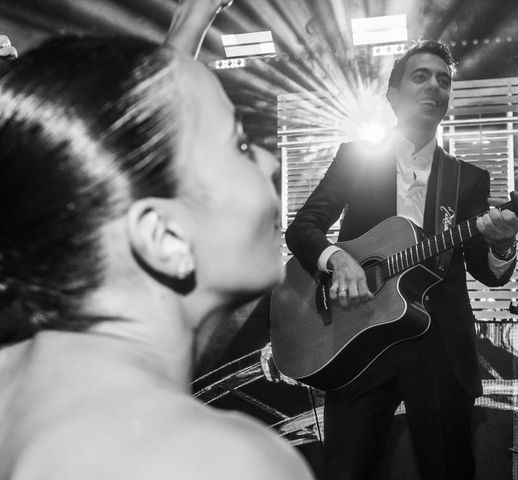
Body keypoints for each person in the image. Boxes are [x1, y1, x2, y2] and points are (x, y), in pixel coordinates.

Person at [0, 1, 313, 479]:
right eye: (241, 145)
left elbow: (124, 155)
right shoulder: (227, 463)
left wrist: (191, 24)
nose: (271, 162)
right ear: (164, 237)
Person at [286, 41, 518, 480]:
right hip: (358, 336)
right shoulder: (355, 157)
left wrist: (503, 246)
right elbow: (302, 229)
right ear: (392, 96)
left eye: (444, 80)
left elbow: (485, 272)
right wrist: (338, 259)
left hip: (440, 344)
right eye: (421, 76)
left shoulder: (468, 178)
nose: (435, 85)